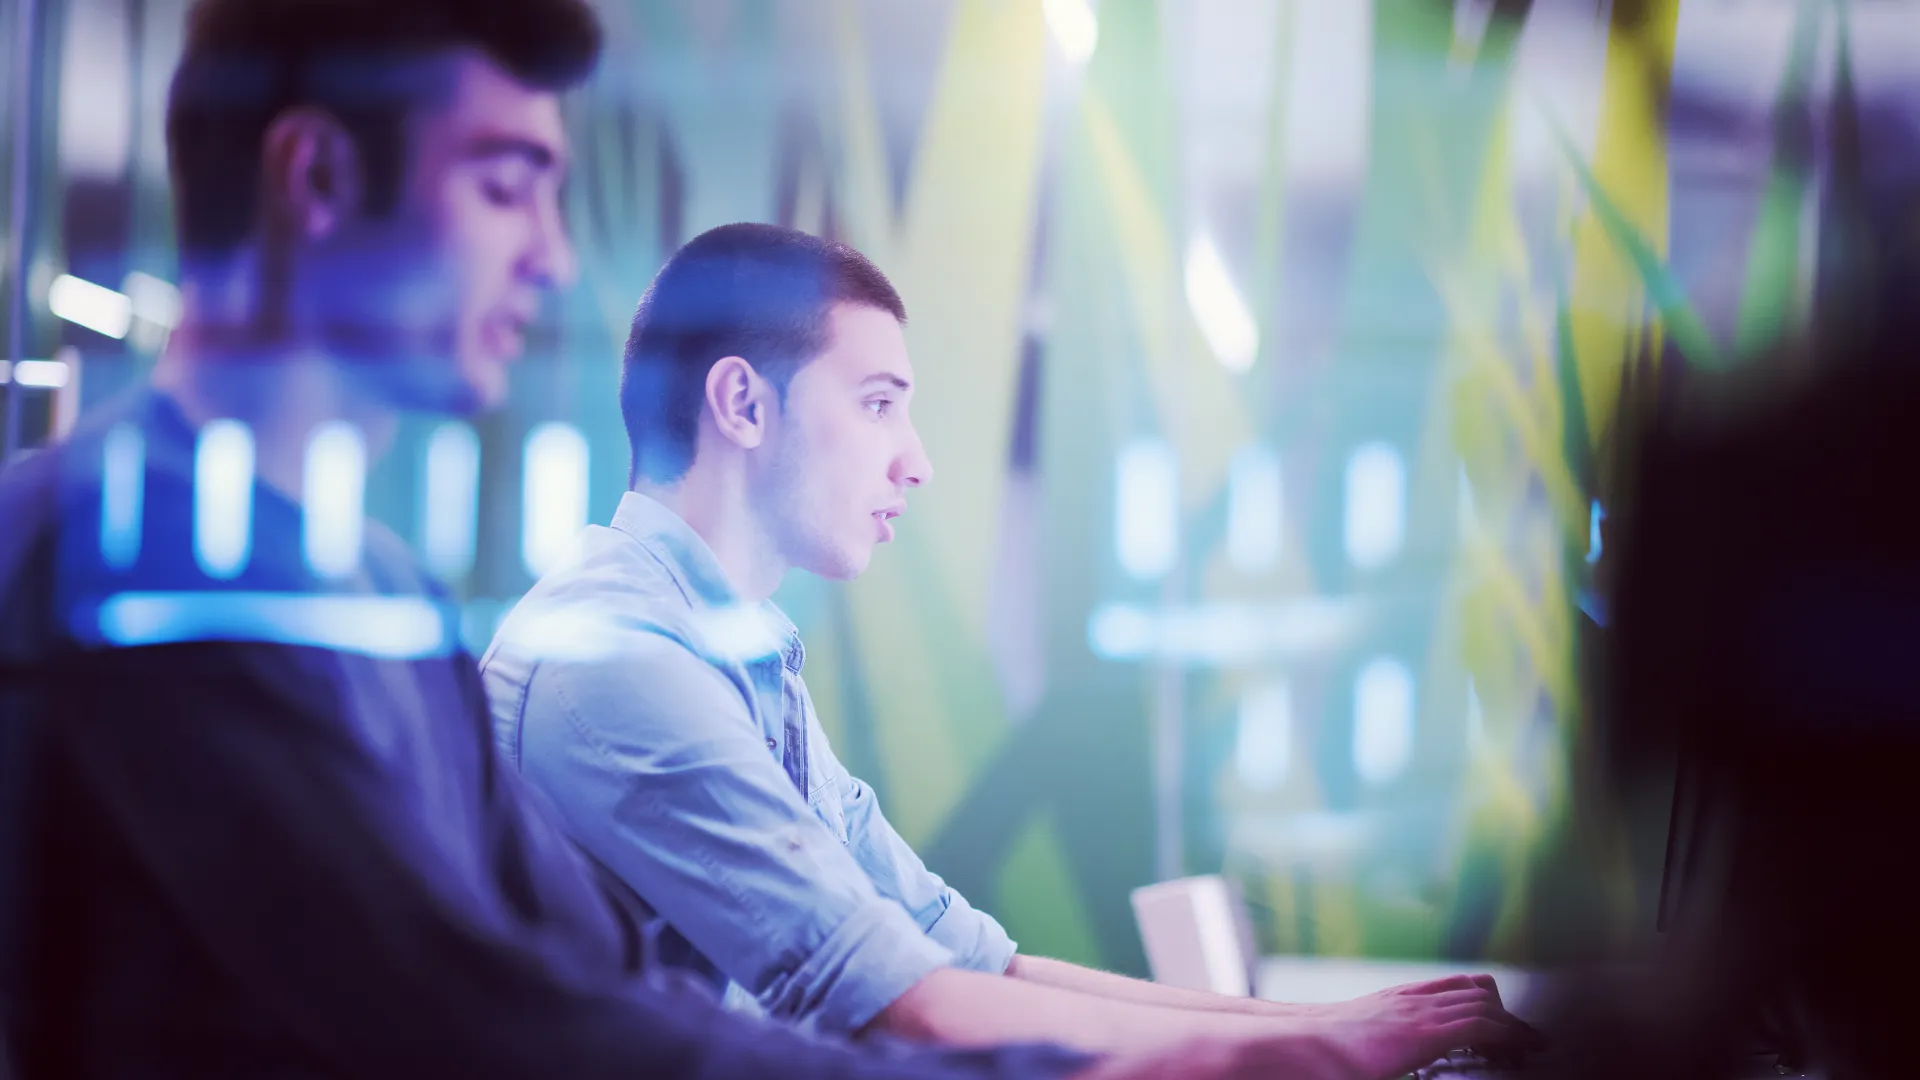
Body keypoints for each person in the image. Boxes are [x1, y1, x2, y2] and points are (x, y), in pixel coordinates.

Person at [0, 3, 1402, 1077]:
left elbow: (603, 982)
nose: (550, 255)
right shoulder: (147, 562)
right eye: (503, 183)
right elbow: (494, 1023)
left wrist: (1265, 1040)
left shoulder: (375, 590)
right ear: (312, 178)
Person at [479, 222, 1542, 1066]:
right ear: (743, 403)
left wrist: (1331, 1028)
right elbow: (909, 1007)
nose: (916, 461)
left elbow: (966, 955)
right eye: (880, 404)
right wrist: (1320, 1048)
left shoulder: (735, 653)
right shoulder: (618, 660)